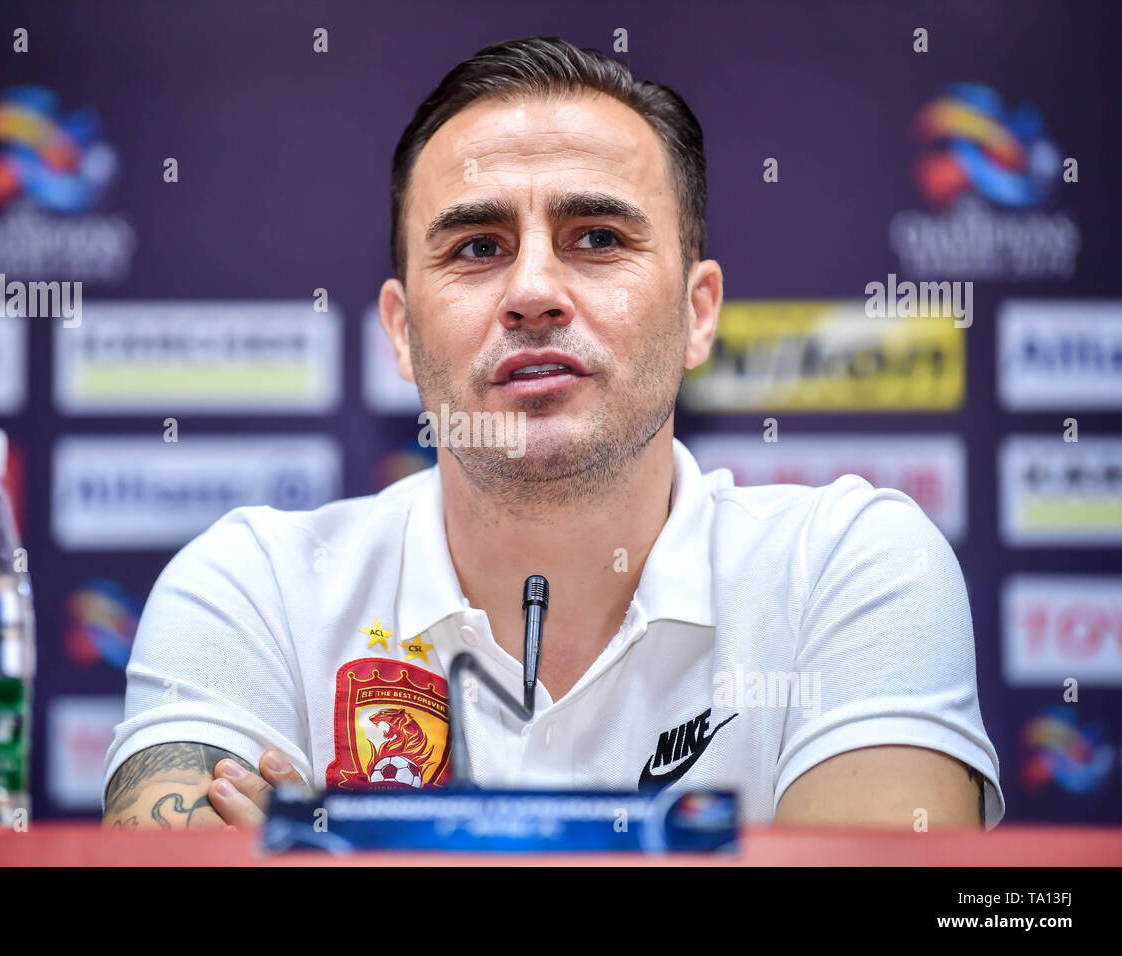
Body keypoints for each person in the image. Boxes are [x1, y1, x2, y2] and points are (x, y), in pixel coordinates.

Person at [102, 36, 1003, 831]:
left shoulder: (849, 570)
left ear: (699, 314)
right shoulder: (252, 589)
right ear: (403, 333)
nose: (534, 290)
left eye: (598, 237)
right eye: (478, 247)